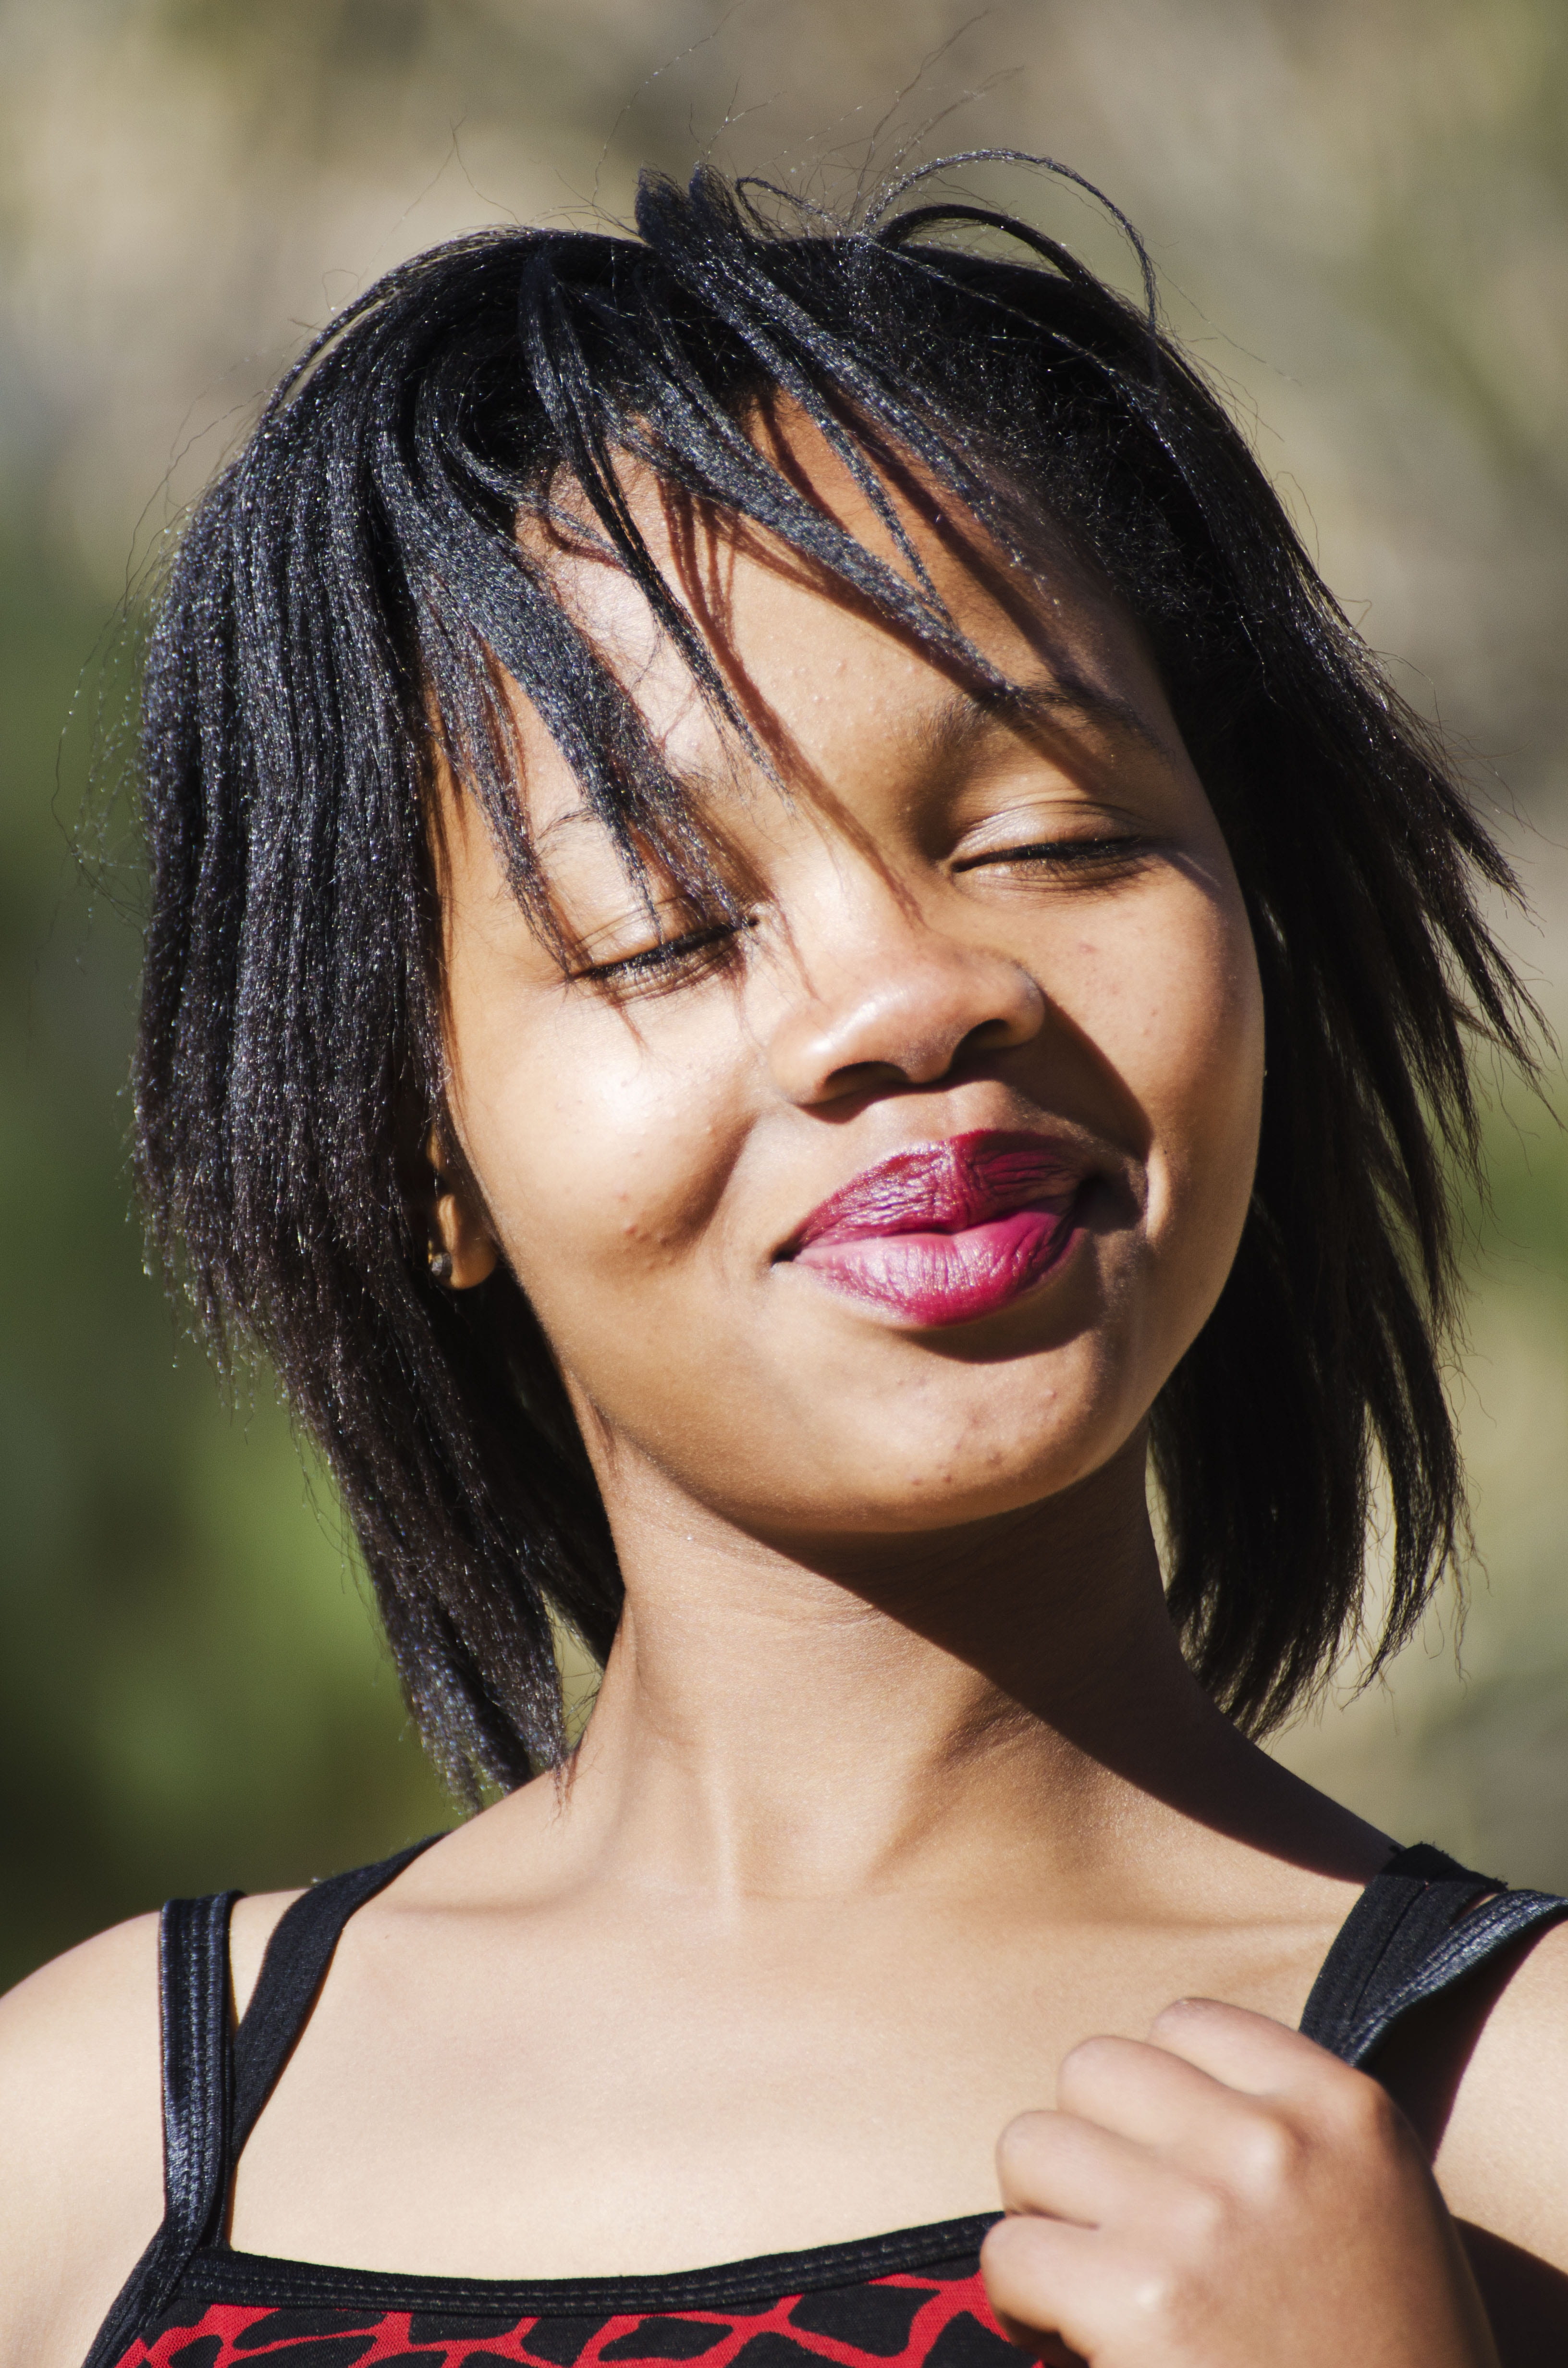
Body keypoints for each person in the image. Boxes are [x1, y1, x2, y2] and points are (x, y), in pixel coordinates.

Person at [0, 156, 1564, 2368]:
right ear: (412, 1139)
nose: (916, 996)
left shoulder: (1510, 2127)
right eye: (664, 919)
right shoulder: (91, 2156)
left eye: (1055, 836)